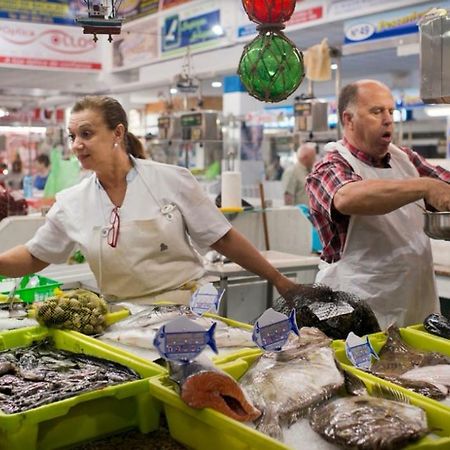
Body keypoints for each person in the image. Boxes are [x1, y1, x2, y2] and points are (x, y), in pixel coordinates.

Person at [0, 96, 296, 305]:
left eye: (86, 134)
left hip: (188, 311)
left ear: (117, 133)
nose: (77, 145)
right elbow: (34, 255)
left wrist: (280, 280)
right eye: (72, 136)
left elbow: (224, 239)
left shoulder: (171, 180)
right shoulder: (72, 202)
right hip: (122, 318)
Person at [306, 79, 450, 329]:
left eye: (391, 111)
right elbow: (348, 197)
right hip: (359, 317)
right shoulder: (329, 167)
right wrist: (425, 187)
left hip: (416, 308)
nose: (388, 119)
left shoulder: (406, 159)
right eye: (376, 111)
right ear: (348, 119)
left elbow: (444, 184)